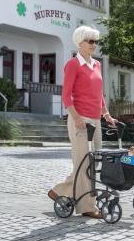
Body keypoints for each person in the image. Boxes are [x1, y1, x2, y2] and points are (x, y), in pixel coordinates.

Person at [47, 26, 117, 219]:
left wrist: (106, 114)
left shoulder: (96, 65)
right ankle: (87, 207)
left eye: (96, 41)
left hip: (95, 119)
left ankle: (60, 191)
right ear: (80, 43)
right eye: (90, 41)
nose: (94, 45)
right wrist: (76, 117)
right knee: (83, 162)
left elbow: (99, 94)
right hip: (80, 120)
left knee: (92, 162)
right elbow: (66, 95)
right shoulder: (73, 65)